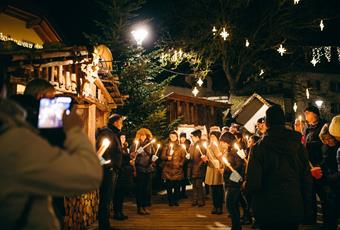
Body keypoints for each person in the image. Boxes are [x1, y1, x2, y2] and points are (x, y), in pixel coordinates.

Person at [0, 57, 102, 229]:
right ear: (40, 97)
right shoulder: (15, 137)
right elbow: (89, 175)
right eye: (51, 98)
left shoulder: (18, 127)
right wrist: (74, 130)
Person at [246, 105, 313, 230]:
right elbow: (306, 179)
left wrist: (246, 191)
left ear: (267, 123)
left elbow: (253, 182)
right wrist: (307, 206)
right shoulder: (298, 146)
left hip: (267, 207)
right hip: (292, 205)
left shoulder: (259, 148)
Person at [96, 114, 124, 230]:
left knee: (108, 198)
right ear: (115, 122)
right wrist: (109, 165)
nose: (122, 124)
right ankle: (103, 226)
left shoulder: (113, 134)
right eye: (120, 122)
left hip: (112, 169)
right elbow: (101, 151)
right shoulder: (107, 134)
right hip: (108, 170)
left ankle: (105, 224)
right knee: (105, 199)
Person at [303, 105, 326, 224]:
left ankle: (327, 220)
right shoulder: (306, 128)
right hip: (309, 165)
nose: (306, 115)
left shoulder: (323, 126)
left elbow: (324, 146)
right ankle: (311, 218)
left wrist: (320, 164)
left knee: (322, 193)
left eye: (308, 113)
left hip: (319, 165)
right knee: (310, 192)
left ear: (315, 114)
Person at [220, 132, 244, 230]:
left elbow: (238, 166)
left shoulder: (235, 151)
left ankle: (236, 226)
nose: (221, 144)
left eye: (222, 142)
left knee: (231, 204)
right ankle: (236, 226)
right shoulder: (229, 151)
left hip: (234, 181)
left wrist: (226, 170)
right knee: (232, 205)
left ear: (227, 142)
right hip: (231, 180)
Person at [318, 124, 340, 230]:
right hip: (329, 179)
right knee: (328, 205)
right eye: (325, 139)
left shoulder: (338, 148)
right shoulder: (324, 148)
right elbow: (324, 161)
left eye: (330, 138)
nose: (328, 141)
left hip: (336, 179)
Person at [130, 128, 155, 215]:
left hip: (148, 169)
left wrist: (153, 159)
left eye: (145, 135)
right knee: (139, 188)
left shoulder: (150, 144)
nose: (143, 137)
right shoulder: (135, 144)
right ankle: (139, 207)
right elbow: (131, 155)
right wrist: (135, 153)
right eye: (141, 135)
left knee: (146, 189)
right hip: (139, 168)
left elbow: (153, 154)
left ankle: (145, 206)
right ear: (139, 135)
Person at [161, 131, 186, 206]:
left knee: (177, 186)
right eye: (171, 136)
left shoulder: (180, 147)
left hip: (177, 169)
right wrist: (167, 157)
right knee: (169, 186)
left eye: (174, 136)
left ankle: (176, 200)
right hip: (168, 170)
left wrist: (180, 164)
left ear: (176, 137)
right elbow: (162, 156)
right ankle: (170, 200)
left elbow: (183, 157)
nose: (172, 138)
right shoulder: (166, 146)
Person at [113, 134, 133, 221]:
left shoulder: (125, 148)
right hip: (119, 173)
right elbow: (120, 159)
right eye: (121, 137)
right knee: (117, 193)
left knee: (121, 193)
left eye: (124, 137)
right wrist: (129, 158)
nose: (123, 139)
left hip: (125, 173)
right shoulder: (117, 148)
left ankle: (120, 211)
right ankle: (116, 212)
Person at [204, 131, 224, 215]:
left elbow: (222, 158)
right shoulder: (208, 146)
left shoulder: (220, 146)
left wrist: (220, 161)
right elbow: (208, 158)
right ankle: (215, 206)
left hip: (218, 169)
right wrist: (205, 159)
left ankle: (219, 207)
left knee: (218, 188)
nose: (212, 138)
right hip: (211, 169)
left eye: (213, 137)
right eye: (211, 137)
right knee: (213, 189)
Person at [187, 129, 207, 207]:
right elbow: (190, 157)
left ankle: (201, 200)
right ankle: (195, 200)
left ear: (197, 137)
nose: (191, 138)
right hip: (192, 167)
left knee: (199, 185)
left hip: (199, 168)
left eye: (192, 136)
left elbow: (204, 157)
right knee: (194, 185)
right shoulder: (192, 146)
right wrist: (188, 157)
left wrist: (200, 165)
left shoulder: (202, 145)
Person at [179, 132, 191, 199]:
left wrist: (188, 156)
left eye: (184, 137)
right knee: (179, 178)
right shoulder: (178, 144)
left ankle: (183, 192)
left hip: (185, 164)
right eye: (181, 137)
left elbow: (189, 153)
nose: (182, 139)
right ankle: (179, 192)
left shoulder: (188, 144)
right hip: (179, 163)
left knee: (184, 178)